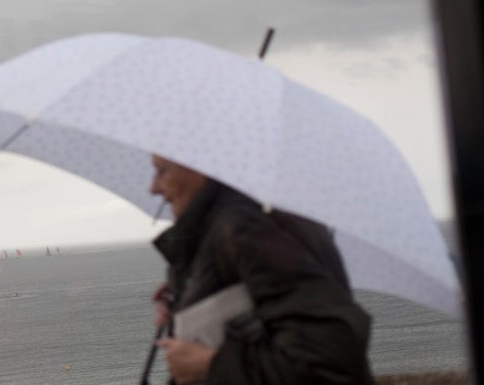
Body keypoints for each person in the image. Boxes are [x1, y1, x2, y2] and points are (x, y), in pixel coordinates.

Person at [149, 154, 373, 384]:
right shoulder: (232, 227)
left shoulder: (245, 230)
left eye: (162, 171)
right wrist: (186, 293)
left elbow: (329, 356)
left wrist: (210, 366)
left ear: (200, 168)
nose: (153, 188)